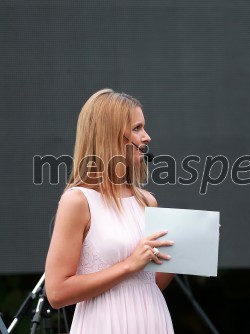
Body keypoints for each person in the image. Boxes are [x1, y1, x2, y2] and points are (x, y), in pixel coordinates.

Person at [45, 88, 175, 333]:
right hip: (105, 323)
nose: (146, 137)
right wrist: (129, 264)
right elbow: (56, 292)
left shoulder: (147, 202)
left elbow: (151, 283)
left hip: (153, 319)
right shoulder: (78, 201)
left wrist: (185, 252)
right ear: (109, 135)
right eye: (137, 128)